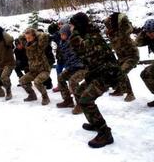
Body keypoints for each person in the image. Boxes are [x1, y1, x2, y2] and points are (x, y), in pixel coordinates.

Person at [70, 12, 123, 148]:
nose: (71, 28)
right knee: (79, 93)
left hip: (107, 73)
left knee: (86, 100)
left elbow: (81, 48)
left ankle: (105, 133)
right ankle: (94, 122)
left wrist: (74, 34)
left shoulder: (92, 36)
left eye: (73, 25)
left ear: (79, 26)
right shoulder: (87, 33)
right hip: (97, 72)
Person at [104, 12, 139, 102]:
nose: (107, 30)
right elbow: (106, 23)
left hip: (132, 56)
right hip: (122, 58)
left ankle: (130, 94)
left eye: (109, 27)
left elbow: (129, 27)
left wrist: (120, 17)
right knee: (113, 71)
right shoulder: (112, 35)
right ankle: (120, 89)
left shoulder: (122, 31)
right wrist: (108, 20)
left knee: (122, 72)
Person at [56, 24, 87, 112]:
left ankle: (81, 104)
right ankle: (68, 100)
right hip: (72, 67)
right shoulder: (62, 43)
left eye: (63, 34)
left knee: (72, 81)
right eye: (61, 34)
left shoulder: (75, 41)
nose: (61, 36)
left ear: (69, 34)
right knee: (61, 78)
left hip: (82, 67)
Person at [19, 28, 51, 105]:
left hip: (44, 70)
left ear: (34, 36)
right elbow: (20, 37)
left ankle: (45, 97)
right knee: (22, 80)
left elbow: (45, 36)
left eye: (29, 38)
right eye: (26, 38)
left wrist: (35, 33)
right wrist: (26, 33)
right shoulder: (27, 45)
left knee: (37, 82)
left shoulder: (40, 45)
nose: (27, 39)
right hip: (33, 71)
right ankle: (32, 95)